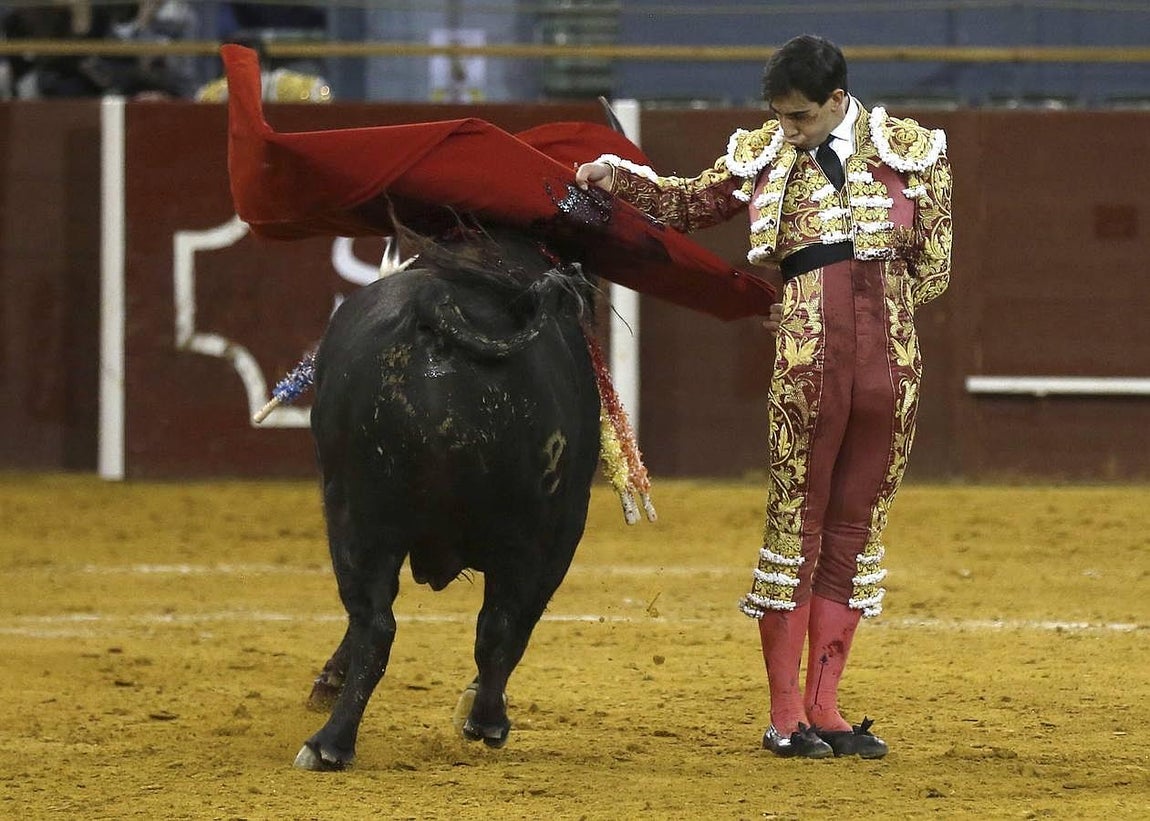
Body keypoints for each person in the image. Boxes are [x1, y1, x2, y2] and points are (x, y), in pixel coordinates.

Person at [576, 34, 952, 759]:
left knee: (853, 533)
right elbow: (685, 203)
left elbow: (936, 267)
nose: (789, 130)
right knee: (795, 530)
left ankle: (828, 708)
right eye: (780, 116)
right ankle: (786, 716)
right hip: (809, 366)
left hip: (891, 371)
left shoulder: (914, 148)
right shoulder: (763, 154)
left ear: (838, 101)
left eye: (802, 117)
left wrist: (871, 301)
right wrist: (616, 176)